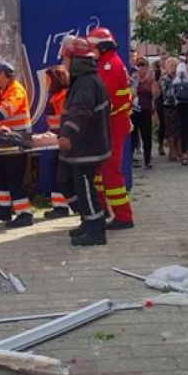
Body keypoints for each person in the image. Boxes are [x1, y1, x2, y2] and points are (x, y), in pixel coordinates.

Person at [55, 37, 112, 247]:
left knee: (85, 187)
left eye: (66, 59)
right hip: (80, 147)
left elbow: (80, 111)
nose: (64, 63)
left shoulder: (86, 83)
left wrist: (67, 133)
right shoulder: (82, 81)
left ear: (77, 61)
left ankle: (96, 230)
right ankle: (88, 219)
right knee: (64, 180)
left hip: (86, 147)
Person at [88, 27, 134, 229]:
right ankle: (102, 209)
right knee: (100, 168)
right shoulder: (108, 63)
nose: (91, 52)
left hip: (113, 122)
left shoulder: (109, 66)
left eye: (93, 47)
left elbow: (105, 101)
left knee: (110, 169)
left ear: (102, 47)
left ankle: (124, 216)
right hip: (112, 122)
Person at [0, 61, 34, 228]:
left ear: (3, 74)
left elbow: (4, 111)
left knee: (13, 178)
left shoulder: (16, 90)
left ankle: (25, 214)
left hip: (17, 139)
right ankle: (3, 210)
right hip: (5, 140)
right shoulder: (1, 91)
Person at [43, 64, 73, 217]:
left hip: (64, 141)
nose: (46, 83)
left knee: (60, 174)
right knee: (56, 172)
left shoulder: (63, 97)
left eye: (48, 79)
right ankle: (60, 206)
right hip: (57, 140)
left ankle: (62, 208)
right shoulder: (56, 97)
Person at [130, 58, 155, 169]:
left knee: (146, 136)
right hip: (133, 111)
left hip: (145, 110)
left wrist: (153, 82)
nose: (140, 68)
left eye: (143, 65)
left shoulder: (150, 81)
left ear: (147, 67)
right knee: (133, 136)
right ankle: (130, 159)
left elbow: (156, 94)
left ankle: (147, 160)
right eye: (138, 66)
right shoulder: (132, 80)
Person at [158, 57, 181, 162]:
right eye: (171, 65)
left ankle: (179, 149)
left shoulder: (180, 77)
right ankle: (172, 150)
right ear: (166, 67)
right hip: (169, 106)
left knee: (179, 129)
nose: (173, 67)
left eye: (175, 65)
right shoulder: (164, 79)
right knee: (170, 129)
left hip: (179, 106)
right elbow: (167, 93)